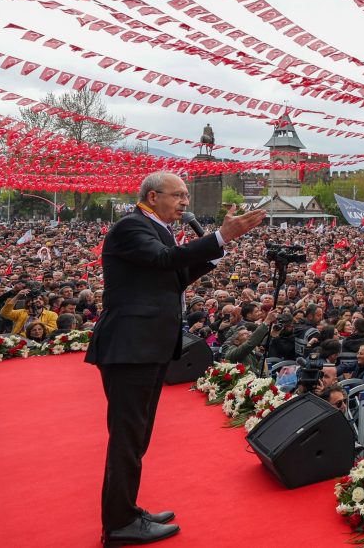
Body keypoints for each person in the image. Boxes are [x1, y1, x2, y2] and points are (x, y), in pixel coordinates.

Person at [85, 171, 265, 546]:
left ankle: (126, 510)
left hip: (146, 346)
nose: (185, 202)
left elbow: (175, 275)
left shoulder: (159, 230)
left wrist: (217, 250)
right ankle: (118, 524)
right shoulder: (131, 227)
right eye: (178, 195)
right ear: (153, 197)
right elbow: (165, 260)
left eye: (186, 196)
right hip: (130, 347)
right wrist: (219, 237)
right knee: (127, 438)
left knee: (136, 436)